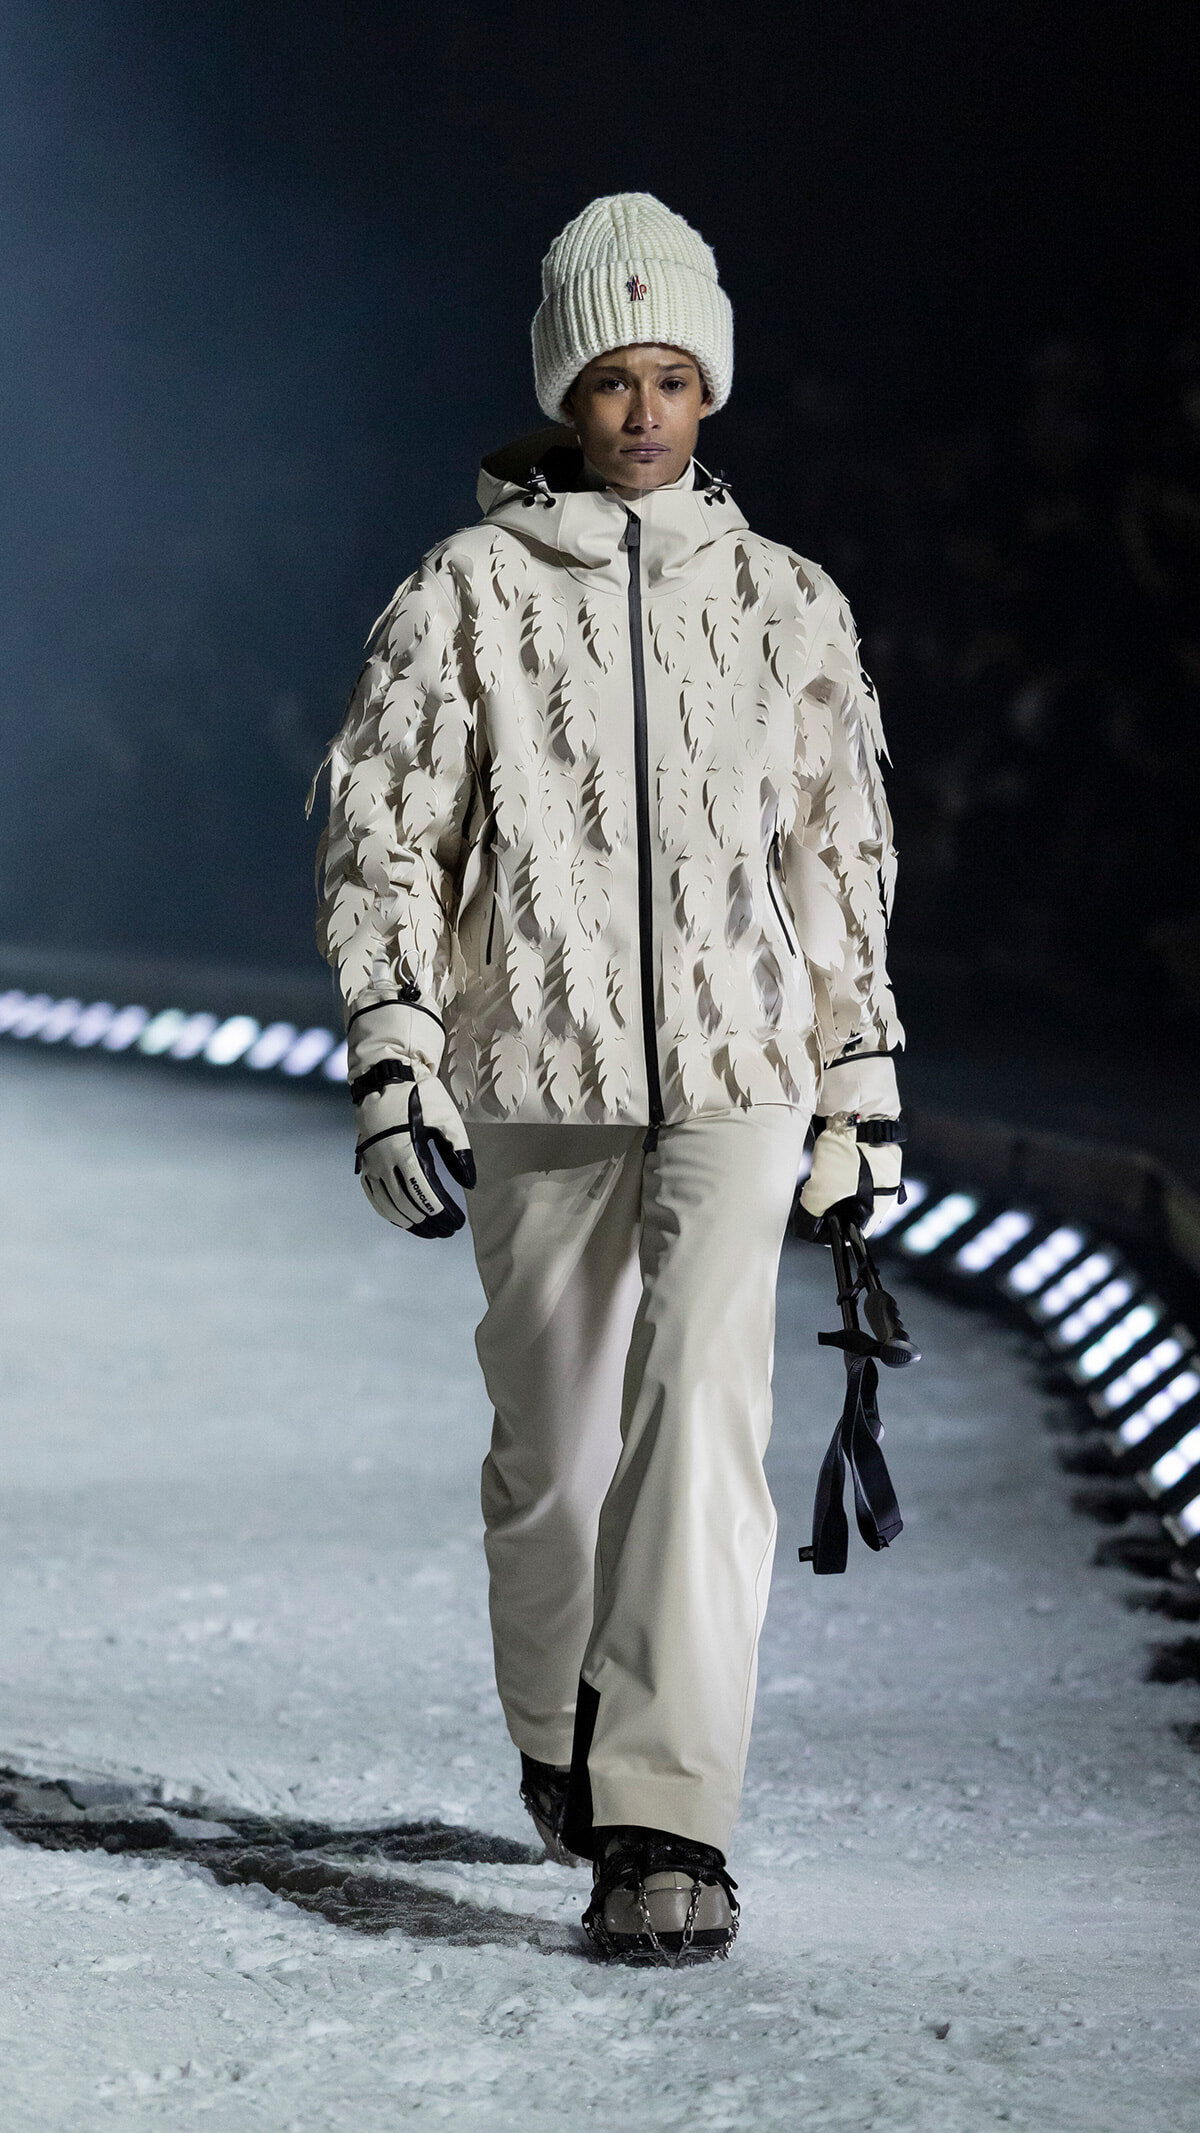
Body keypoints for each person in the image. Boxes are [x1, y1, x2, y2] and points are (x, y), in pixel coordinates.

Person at [313, 192, 905, 1963]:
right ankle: (561, 1735)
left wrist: (857, 1083)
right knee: (553, 1458)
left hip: (740, 1075)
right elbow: (387, 835)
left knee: (705, 1426)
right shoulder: (467, 593)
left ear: (709, 386)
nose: (644, 410)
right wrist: (393, 1054)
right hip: (536, 1066)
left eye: (673, 376)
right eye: (612, 377)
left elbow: (837, 851)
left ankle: (666, 1819)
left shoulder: (792, 603)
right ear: (566, 391)